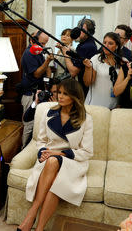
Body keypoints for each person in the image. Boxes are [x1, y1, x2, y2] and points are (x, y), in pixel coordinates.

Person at [17, 79, 93, 231]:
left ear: (75, 97)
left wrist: (59, 153)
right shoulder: (48, 112)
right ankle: (39, 228)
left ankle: (31, 215)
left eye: (65, 93)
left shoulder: (86, 119)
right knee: (53, 167)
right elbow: (41, 140)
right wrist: (42, 152)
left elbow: (87, 152)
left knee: (53, 161)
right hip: (48, 159)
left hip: (72, 160)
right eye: (59, 92)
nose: (60, 96)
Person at [20, 31, 54, 146]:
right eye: (42, 43)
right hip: (30, 94)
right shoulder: (30, 53)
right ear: (33, 40)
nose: (43, 46)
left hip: (38, 92)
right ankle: (24, 148)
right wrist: (48, 61)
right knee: (29, 124)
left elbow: (46, 70)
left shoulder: (38, 52)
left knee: (38, 124)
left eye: (45, 44)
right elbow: (37, 74)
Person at [83, 32, 123, 109]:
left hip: (114, 106)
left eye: (110, 43)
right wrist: (88, 68)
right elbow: (87, 83)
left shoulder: (123, 61)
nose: (106, 45)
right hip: (94, 104)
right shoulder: (95, 59)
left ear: (117, 46)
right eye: (104, 42)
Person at [57, 19, 98, 95]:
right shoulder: (87, 44)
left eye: (82, 30)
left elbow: (73, 72)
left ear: (89, 32)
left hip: (83, 89)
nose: (78, 32)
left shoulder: (86, 47)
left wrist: (65, 53)